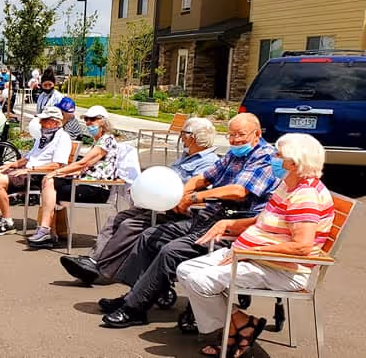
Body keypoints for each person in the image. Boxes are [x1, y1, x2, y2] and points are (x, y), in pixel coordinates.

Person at [99, 113, 280, 329]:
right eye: (231, 135)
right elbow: (203, 177)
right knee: (149, 236)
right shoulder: (234, 155)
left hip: (235, 226)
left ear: (257, 134)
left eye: (240, 135)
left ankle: (134, 309)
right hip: (210, 217)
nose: (235, 140)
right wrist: (181, 195)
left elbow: (238, 191)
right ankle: (135, 295)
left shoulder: (265, 158)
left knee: (171, 251)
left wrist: (195, 197)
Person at [176, 133, 334, 357]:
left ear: (293, 162)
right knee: (185, 270)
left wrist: (250, 251)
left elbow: (302, 247)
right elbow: (262, 220)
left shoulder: (305, 196)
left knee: (201, 281)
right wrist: (229, 223)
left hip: (283, 269)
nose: (273, 158)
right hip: (257, 258)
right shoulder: (288, 185)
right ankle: (241, 324)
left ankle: (233, 332)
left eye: (278, 155)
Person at [59, 117, 220, 284]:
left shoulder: (208, 162)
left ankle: (103, 270)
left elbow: (192, 190)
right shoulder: (186, 156)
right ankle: (93, 261)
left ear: (193, 137)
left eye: (184, 133)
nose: (181, 137)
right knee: (117, 218)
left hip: (177, 210)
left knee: (130, 225)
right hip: (156, 203)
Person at [26, 105, 119, 248]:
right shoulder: (98, 140)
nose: (88, 123)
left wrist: (57, 172)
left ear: (102, 121)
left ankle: (46, 230)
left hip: (97, 188)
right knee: (49, 181)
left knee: (51, 184)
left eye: (92, 120)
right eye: (86, 120)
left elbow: (83, 163)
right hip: (84, 183)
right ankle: (46, 230)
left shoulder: (107, 140)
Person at [0, 107, 72, 236]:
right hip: (28, 170)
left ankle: (7, 221)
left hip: (38, 175)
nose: (40, 123)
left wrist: (30, 169)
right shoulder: (43, 136)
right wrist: (12, 164)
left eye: (44, 120)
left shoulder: (62, 138)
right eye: (41, 120)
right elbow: (28, 158)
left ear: (55, 122)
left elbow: (58, 165)